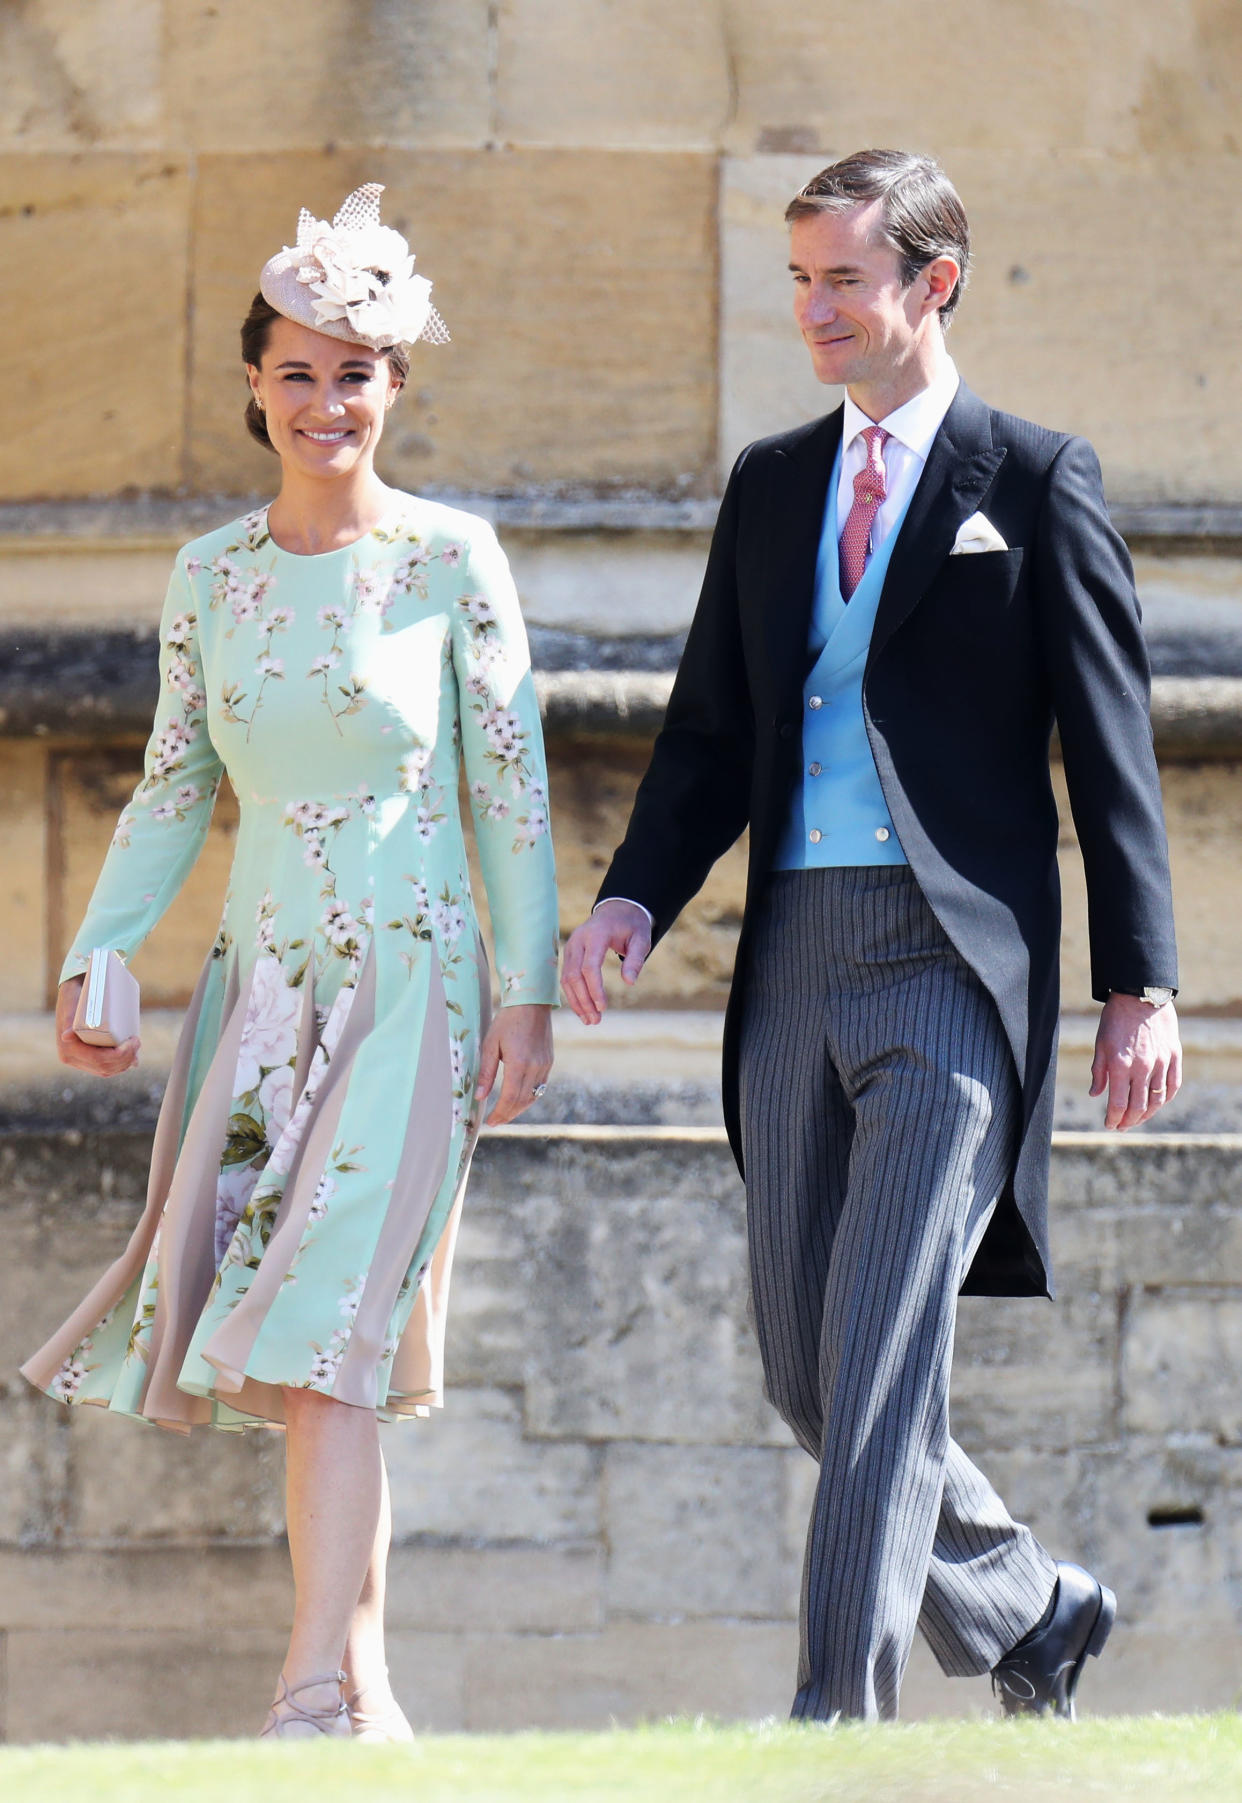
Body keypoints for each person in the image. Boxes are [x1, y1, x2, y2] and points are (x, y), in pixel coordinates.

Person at [562, 149, 1181, 1724]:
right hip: (788, 961)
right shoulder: (773, 484)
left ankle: (834, 1719)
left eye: (843, 278)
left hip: (950, 970)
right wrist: (633, 896)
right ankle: (1031, 1607)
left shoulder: (1034, 479)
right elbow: (707, 731)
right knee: (808, 1365)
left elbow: (1111, 747)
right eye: (798, 278)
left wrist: (1140, 980)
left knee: (887, 1349)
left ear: (932, 283)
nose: (813, 310)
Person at [22, 184, 559, 1741]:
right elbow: (177, 780)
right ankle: (351, 1679)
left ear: (398, 387)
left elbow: (507, 788)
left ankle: (319, 1679)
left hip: (417, 992)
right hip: (260, 998)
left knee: (332, 1324)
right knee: (296, 1334)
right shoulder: (209, 575)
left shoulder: (457, 558)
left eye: (360, 372)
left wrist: (525, 994)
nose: (330, 403)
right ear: (254, 384)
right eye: (301, 371)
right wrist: (97, 954)